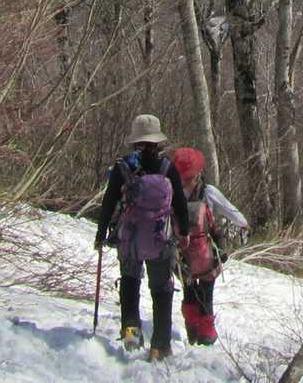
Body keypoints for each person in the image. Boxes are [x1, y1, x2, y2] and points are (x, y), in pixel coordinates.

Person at [94, 114, 189, 359]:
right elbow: (180, 203)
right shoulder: (167, 167)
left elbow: (109, 202)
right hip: (160, 240)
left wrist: (101, 233)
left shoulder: (123, 167)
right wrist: (185, 232)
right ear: (158, 141)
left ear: (135, 140)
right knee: (161, 290)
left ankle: (131, 338)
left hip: (129, 240)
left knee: (129, 285)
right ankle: (161, 345)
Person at [169, 146, 249, 345]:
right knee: (206, 294)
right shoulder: (208, 192)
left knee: (189, 291)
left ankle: (192, 330)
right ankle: (206, 335)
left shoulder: (170, 191)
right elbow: (233, 214)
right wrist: (244, 224)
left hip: (181, 255)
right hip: (206, 255)